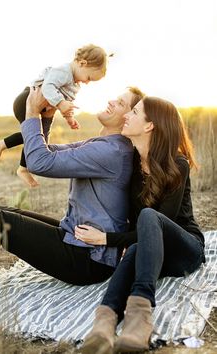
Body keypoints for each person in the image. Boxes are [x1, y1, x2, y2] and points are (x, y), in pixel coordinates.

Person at [0, 86, 144, 286]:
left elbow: (40, 163)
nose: (111, 101)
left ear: (129, 117)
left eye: (120, 103)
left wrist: (32, 113)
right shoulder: (104, 145)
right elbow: (45, 152)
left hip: (87, 259)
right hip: (76, 239)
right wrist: (46, 118)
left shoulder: (112, 152)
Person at [80, 96, 206, 354]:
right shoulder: (132, 166)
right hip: (150, 251)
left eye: (134, 112)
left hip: (184, 250)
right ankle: (104, 323)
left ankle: (140, 316)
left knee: (149, 217)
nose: (127, 115)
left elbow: (161, 223)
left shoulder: (177, 165)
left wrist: (108, 239)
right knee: (137, 248)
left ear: (150, 126)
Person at [0, 44, 111, 187]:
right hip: (27, 100)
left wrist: (69, 118)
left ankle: (19, 164)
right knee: (34, 137)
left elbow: (67, 102)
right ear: (82, 63)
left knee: (39, 139)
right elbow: (48, 86)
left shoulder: (75, 84)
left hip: (42, 107)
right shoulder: (63, 71)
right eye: (88, 78)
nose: (86, 82)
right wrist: (60, 104)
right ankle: (15, 159)